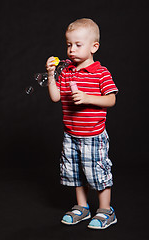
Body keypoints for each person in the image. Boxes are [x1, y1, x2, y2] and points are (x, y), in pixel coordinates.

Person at [46, 18, 118, 230]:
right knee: (75, 171)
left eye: (78, 45)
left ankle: (106, 210)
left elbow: (111, 99)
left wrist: (88, 98)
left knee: (97, 172)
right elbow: (55, 97)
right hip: (71, 133)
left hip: (93, 135)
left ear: (94, 46)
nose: (71, 49)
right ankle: (82, 207)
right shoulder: (66, 70)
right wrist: (51, 75)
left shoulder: (100, 73)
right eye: (69, 44)